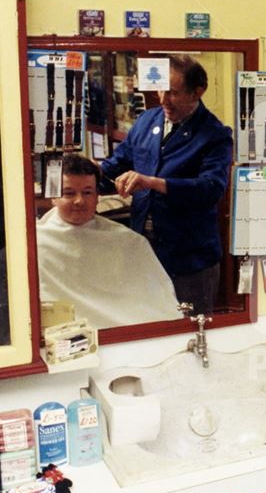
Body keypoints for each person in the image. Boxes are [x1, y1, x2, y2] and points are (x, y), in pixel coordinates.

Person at [100, 54, 232, 315]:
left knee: (189, 330)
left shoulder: (214, 134)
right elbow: (118, 164)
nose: (163, 100)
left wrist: (153, 182)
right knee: (145, 324)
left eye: (173, 92)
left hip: (190, 260)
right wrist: (90, 175)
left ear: (198, 92)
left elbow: (211, 189)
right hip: (144, 252)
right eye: (160, 89)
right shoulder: (148, 121)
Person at [37, 153, 180, 329]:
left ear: (98, 196)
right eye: (69, 193)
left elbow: (158, 301)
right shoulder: (36, 243)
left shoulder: (130, 241)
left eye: (88, 192)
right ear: (53, 196)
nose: (79, 201)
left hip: (124, 331)